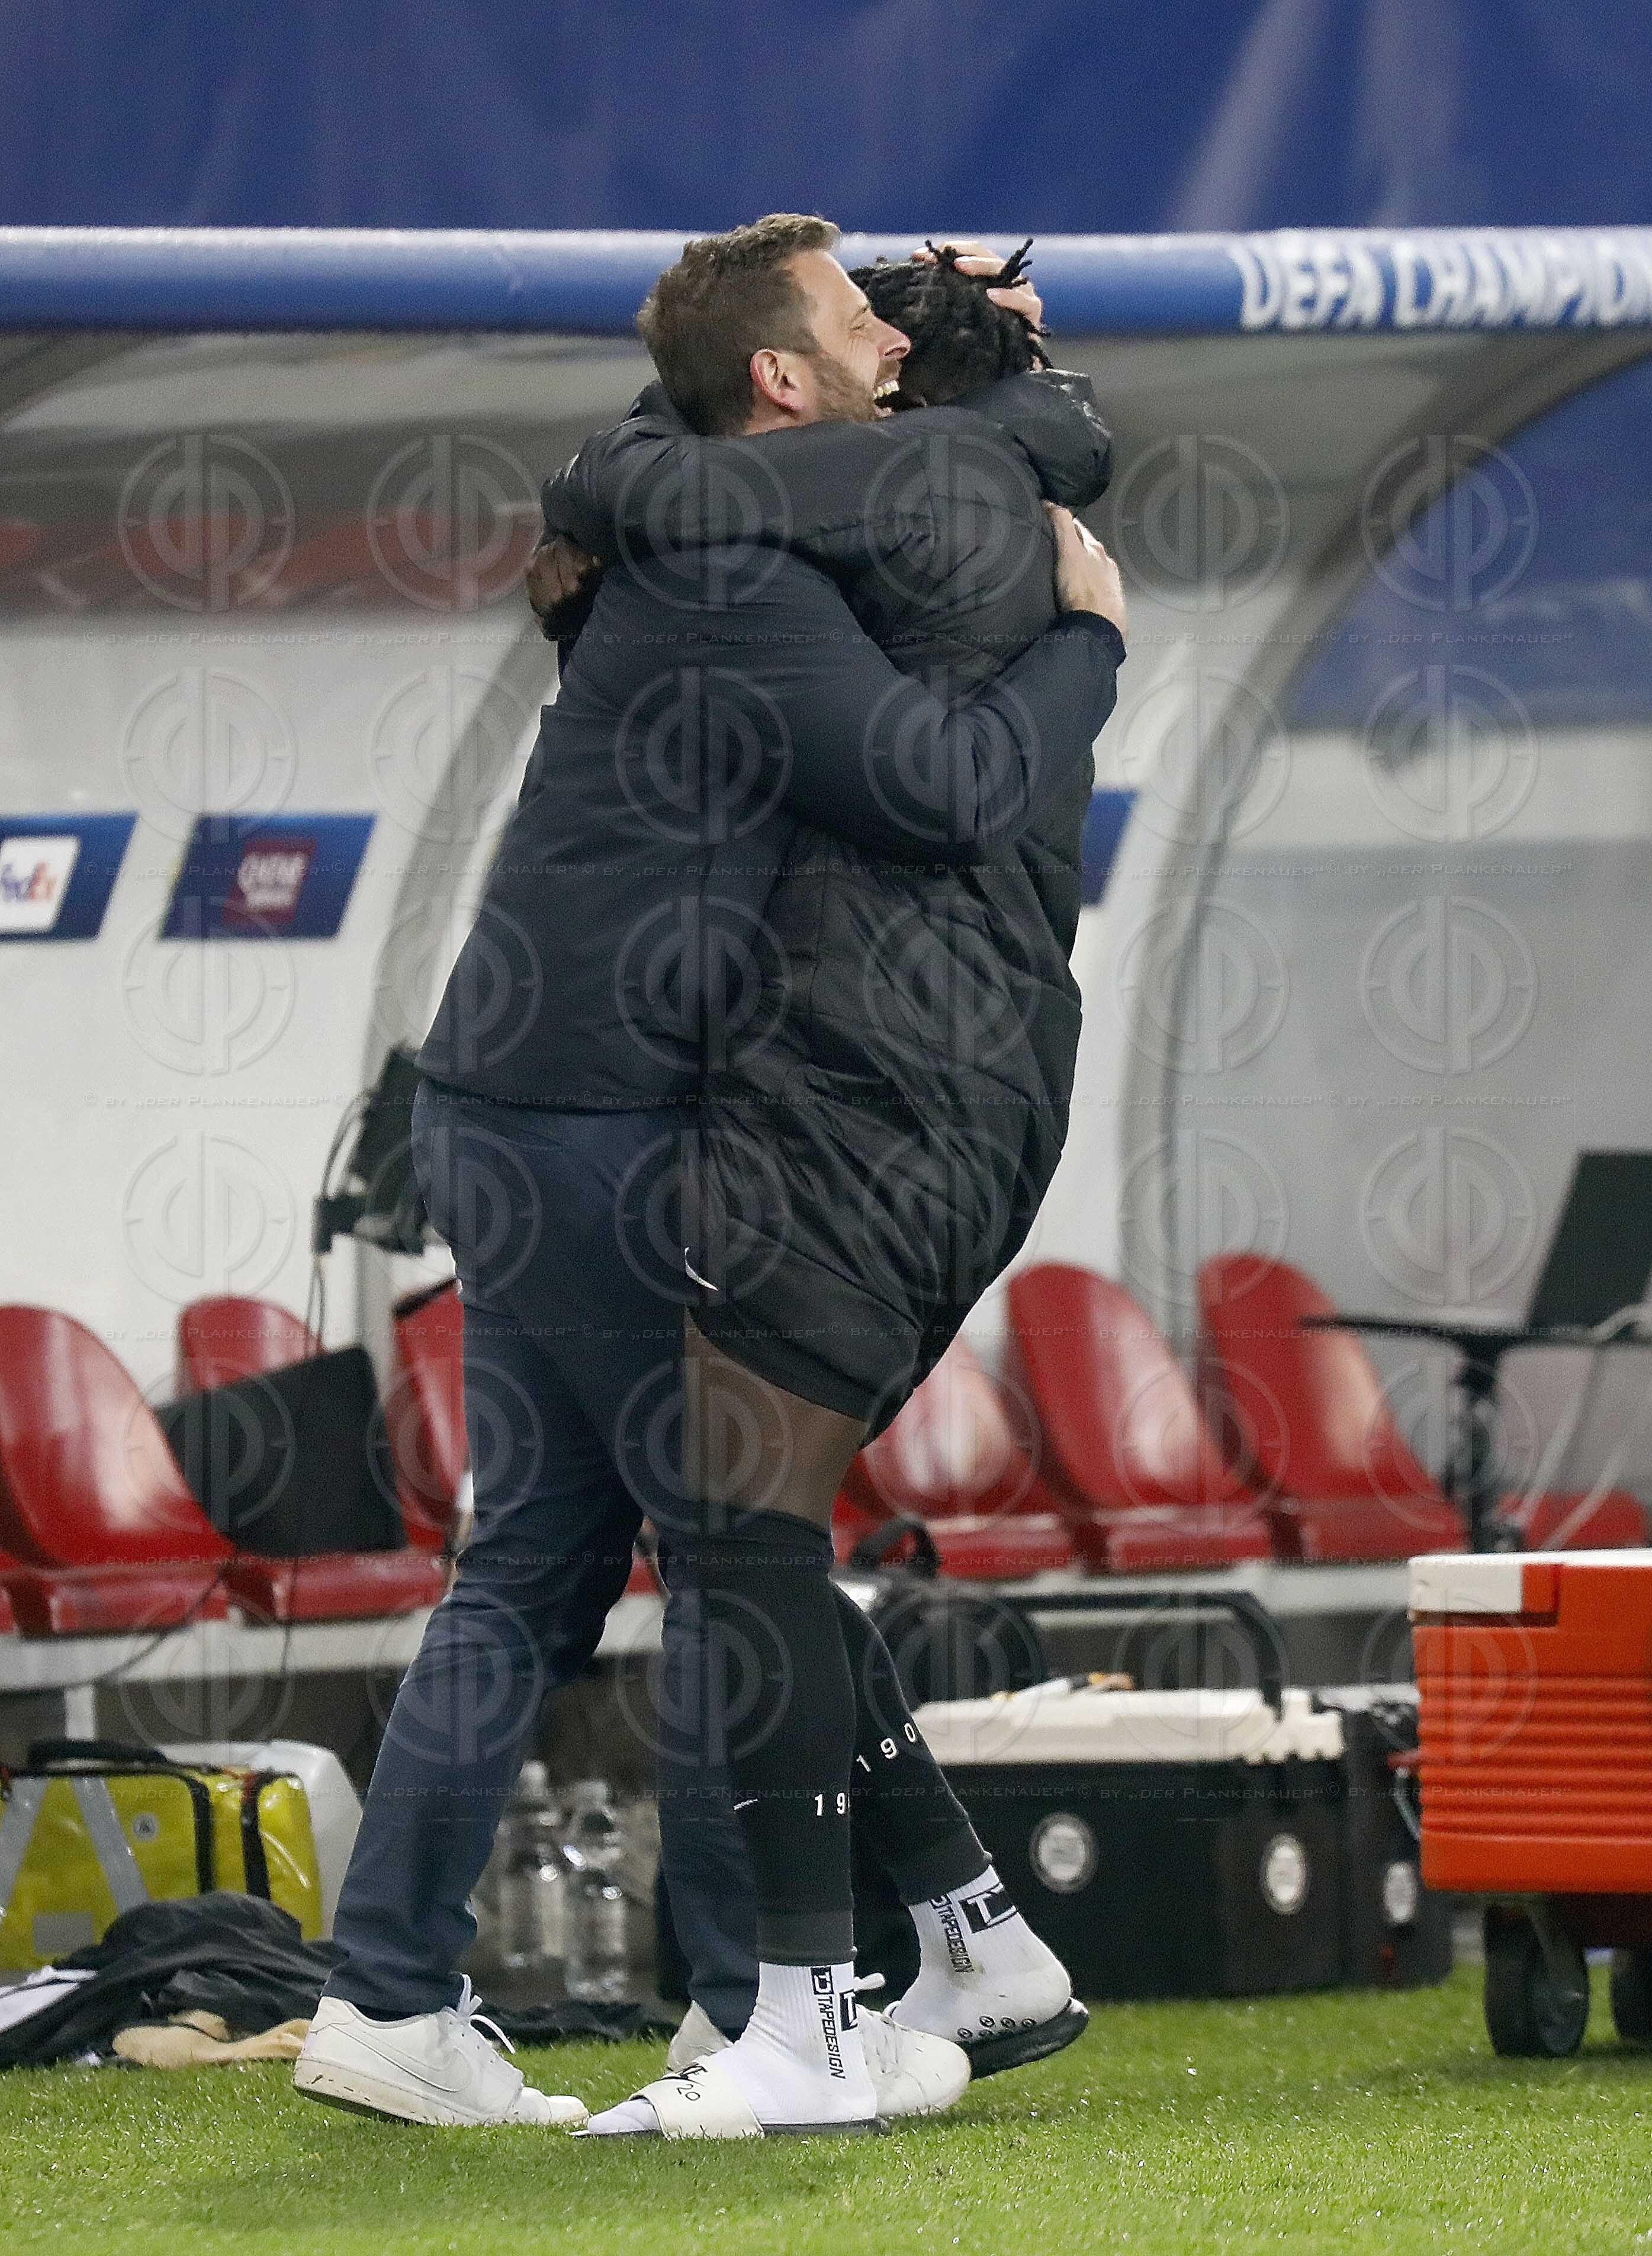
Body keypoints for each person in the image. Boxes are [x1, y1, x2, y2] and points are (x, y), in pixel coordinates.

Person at [293, 216, 1126, 2140]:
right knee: (742, 1540)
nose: (887, 360)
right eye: (853, 326)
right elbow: (938, 785)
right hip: (602, 1113)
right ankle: (790, 1999)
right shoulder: (742, 564)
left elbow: (726, 446)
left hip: (512, 1099)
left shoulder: (687, 507)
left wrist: (971, 362)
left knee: (554, 1555)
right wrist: (1084, 640)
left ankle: (402, 1995)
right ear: (783, 379)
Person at [533, 240, 1124, 2094]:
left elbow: (641, 488)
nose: (860, 334)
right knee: (740, 1517)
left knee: (736, 1518)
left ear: (885, 389)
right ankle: (973, 1937)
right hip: (935, 1074)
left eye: (875, 321)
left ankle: (803, 2015)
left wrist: (621, 463)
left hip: (888, 1076)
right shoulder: (973, 484)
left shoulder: (929, 472)